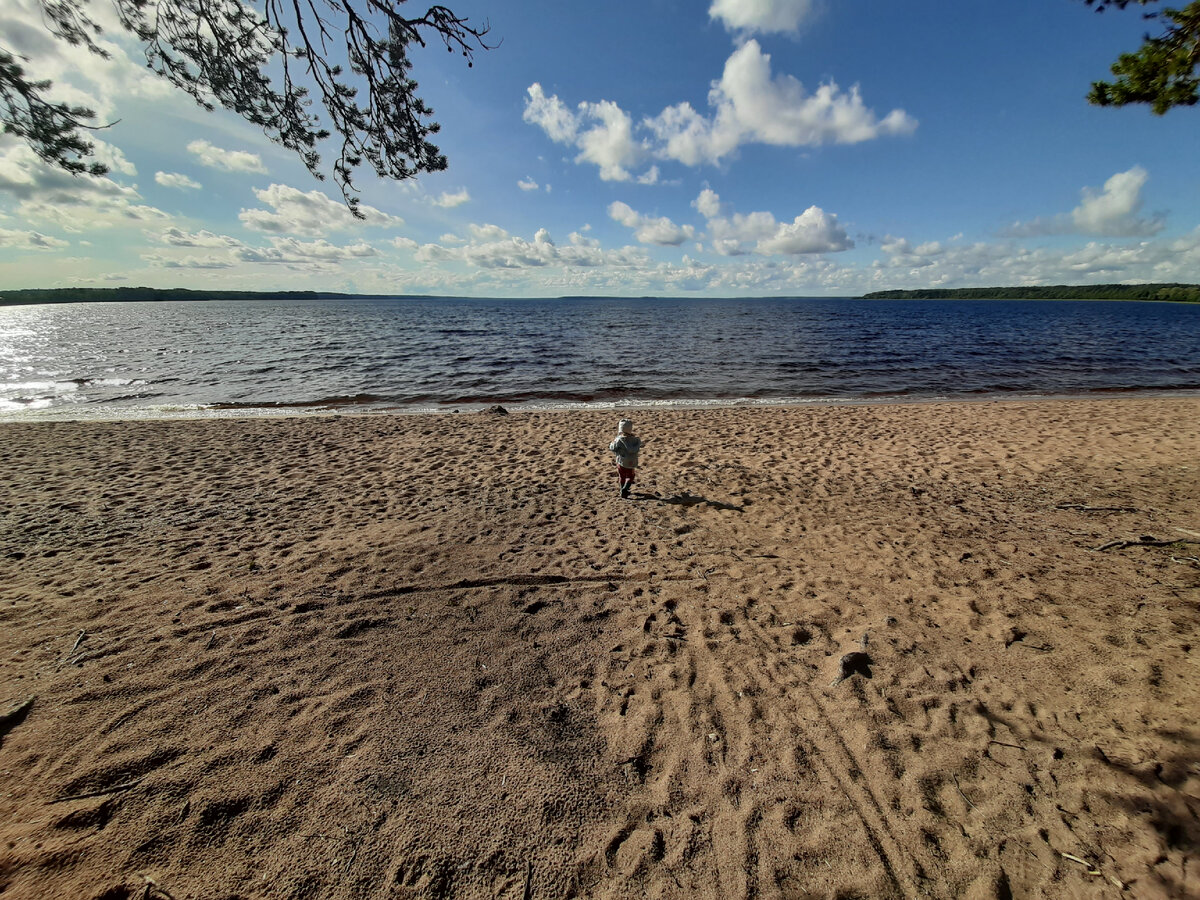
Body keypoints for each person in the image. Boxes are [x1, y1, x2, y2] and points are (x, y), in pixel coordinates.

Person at [608, 418, 642, 499]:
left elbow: (612, 448)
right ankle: (625, 489)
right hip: (631, 462)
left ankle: (622, 489)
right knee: (631, 476)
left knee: (622, 476)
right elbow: (638, 446)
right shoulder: (635, 440)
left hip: (621, 461)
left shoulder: (619, 440)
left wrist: (612, 443)